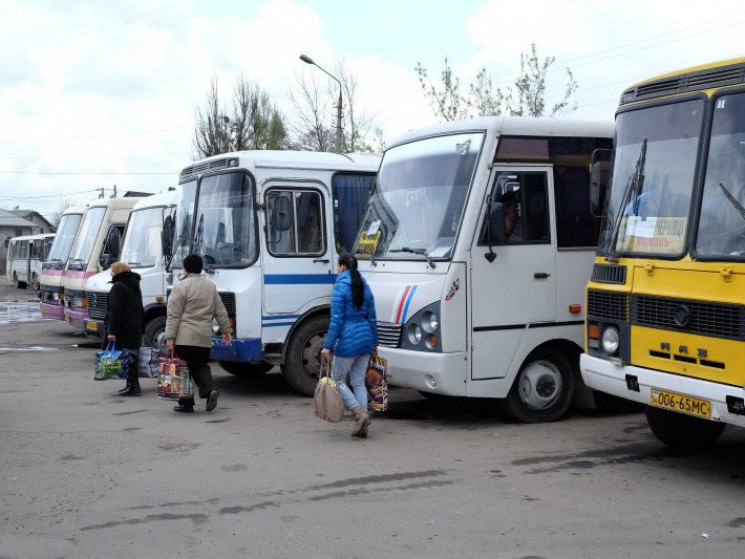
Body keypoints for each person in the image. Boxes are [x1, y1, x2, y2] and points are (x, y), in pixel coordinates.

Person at [320, 253, 378, 438]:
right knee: (358, 382)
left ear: (343, 267)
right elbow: (372, 318)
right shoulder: (365, 286)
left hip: (347, 340)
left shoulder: (340, 287)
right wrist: (375, 342)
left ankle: (358, 414)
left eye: (338, 266)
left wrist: (327, 345)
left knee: (337, 380)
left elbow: (336, 320)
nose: (338, 269)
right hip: (366, 340)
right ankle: (363, 423)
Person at [165, 254, 232, 413]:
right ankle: (209, 391)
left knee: (183, 369)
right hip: (203, 337)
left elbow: (174, 315)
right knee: (200, 366)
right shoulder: (210, 286)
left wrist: (170, 337)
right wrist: (226, 331)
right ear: (200, 268)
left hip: (184, 337)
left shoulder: (180, 286)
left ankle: (186, 404)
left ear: (186, 268)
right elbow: (220, 311)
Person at [105, 261, 144, 396]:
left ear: (118, 271)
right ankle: (133, 385)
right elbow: (140, 308)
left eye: (112, 270)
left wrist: (112, 332)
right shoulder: (134, 285)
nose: (111, 273)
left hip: (122, 327)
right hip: (134, 327)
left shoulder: (119, 287)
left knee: (127, 357)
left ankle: (133, 386)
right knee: (131, 356)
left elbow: (116, 311)